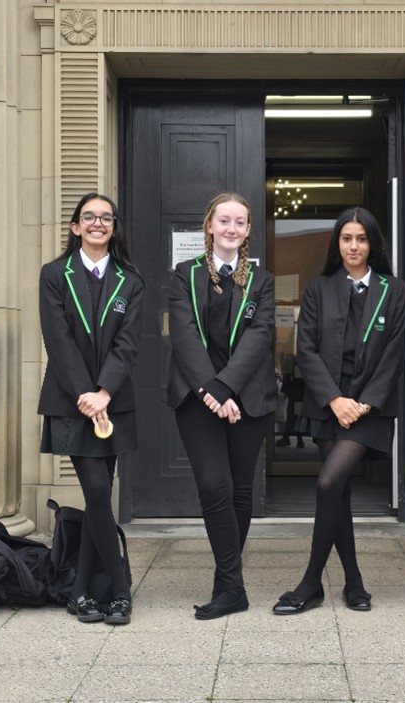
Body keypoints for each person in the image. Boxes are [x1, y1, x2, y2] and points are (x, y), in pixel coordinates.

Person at [273, 207, 405, 615]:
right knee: (340, 495)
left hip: (370, 408)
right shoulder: (319, 289)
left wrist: (362, 403)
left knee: (329, 484)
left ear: (373, 244)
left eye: (361, 239)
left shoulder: (394, 290)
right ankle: (354, 583)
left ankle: (311, 583)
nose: (353, 246)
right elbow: (306, 349)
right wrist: (335, 400)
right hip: (327, 405)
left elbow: (395, 355)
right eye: (346, 239)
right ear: (337, 244)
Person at [167, 192, 278, 620]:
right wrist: (212, 393)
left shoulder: (261, 281)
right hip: (197, 400)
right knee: (215, 488)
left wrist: (227, 389)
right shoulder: (183, 275)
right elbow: (184, 335)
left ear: (248, 231)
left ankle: (225, 582)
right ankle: (234, 587)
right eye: (224, 220)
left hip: (247, 399)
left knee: (240, 491)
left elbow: (258, 338)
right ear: (209, 225)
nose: (231, 228)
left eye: (240, 222)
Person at [38, 192, 143, 626]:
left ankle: (81, 592)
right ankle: (119, 590)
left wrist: (104, 393)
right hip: (70, 400)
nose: (98, 223)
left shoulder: (130, 280)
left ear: (113, 228)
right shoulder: (53, 275)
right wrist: (85, 393)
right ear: (75, 227)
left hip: (113, 403)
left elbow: (128, 344)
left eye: (106, 217)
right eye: (89, 217)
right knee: (98, 493)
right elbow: (57, 339)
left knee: (100, 495)